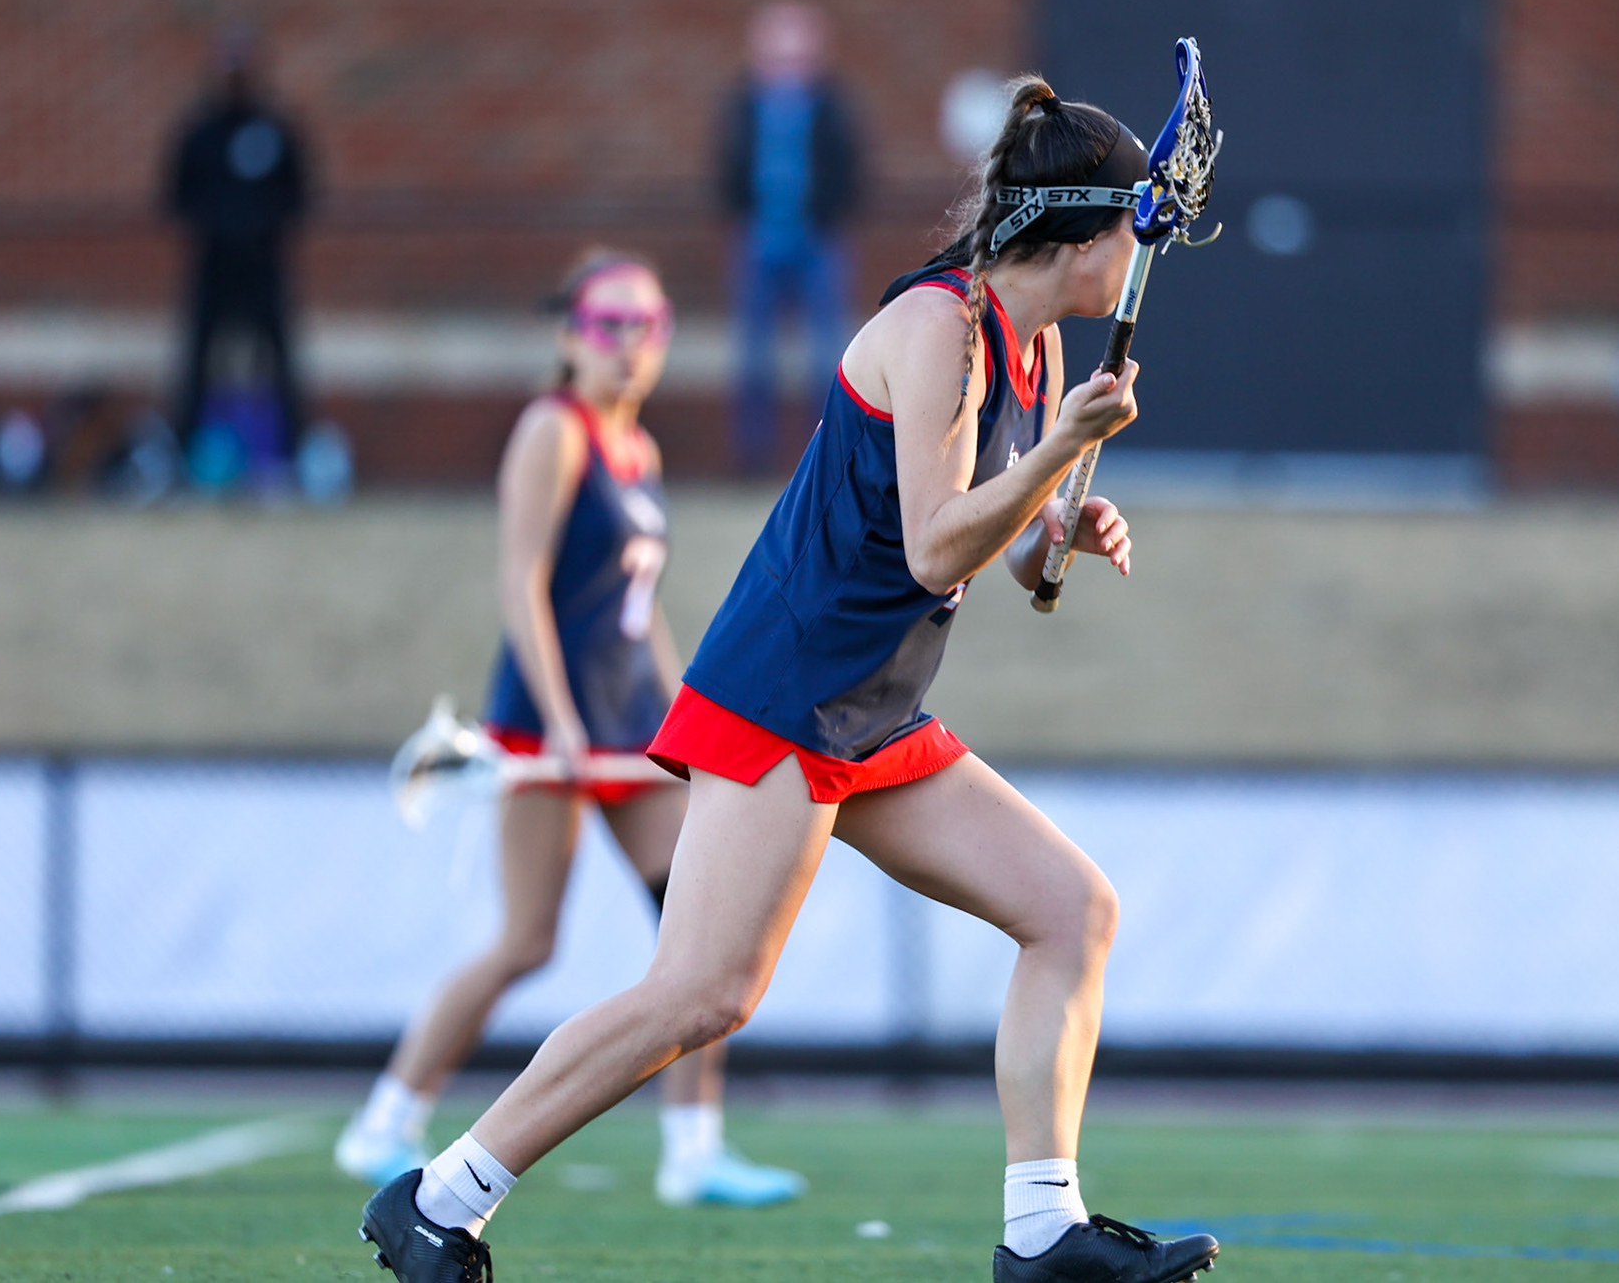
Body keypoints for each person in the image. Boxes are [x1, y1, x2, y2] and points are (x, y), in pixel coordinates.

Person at [358, 81, 1222, 1283]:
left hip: (875, 705)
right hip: (793, 687)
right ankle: (438, 1196)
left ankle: (1042, 1232)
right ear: (1075, 237)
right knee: (703, 991)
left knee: (1072, 910)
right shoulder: (938, 327)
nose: (1138, 256)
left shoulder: (1037, 343)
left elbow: (997, 536)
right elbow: (933, 545)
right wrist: (1067, 450)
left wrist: (1060, 526)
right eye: (1129, 231)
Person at [335, 249, 805, 1211]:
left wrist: (687, 709)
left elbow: (638, 612)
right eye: (607, 326)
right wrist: (554, 722)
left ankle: (692, 1149)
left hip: (632, 729)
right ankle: (384, 1119)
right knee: (526, 941)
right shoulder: (553, 431)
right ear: (568, 334)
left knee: (703, 935)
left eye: (648, 326)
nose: (628, 347)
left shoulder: (643, 449)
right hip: (549, 729)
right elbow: (523, 585)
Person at [716, 1, 862, 473]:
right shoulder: (741, 104)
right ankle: (752, 458)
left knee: (827, 359)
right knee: (754, 358)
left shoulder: (834, 105)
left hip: (819, 242)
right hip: (757, 241)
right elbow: (726, 164)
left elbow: (852, 167)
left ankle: (823, 456)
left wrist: (832, 210)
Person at [162, 28, 312, 462]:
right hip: (214, 264)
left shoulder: (275, 132)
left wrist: (259, 226)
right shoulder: (199, 133)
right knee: (196, 361)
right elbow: (176, 196)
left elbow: (298, 195)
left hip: (264, 265)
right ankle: (183, 453)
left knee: (281, 359)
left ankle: (292, 453)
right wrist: (220, 224)